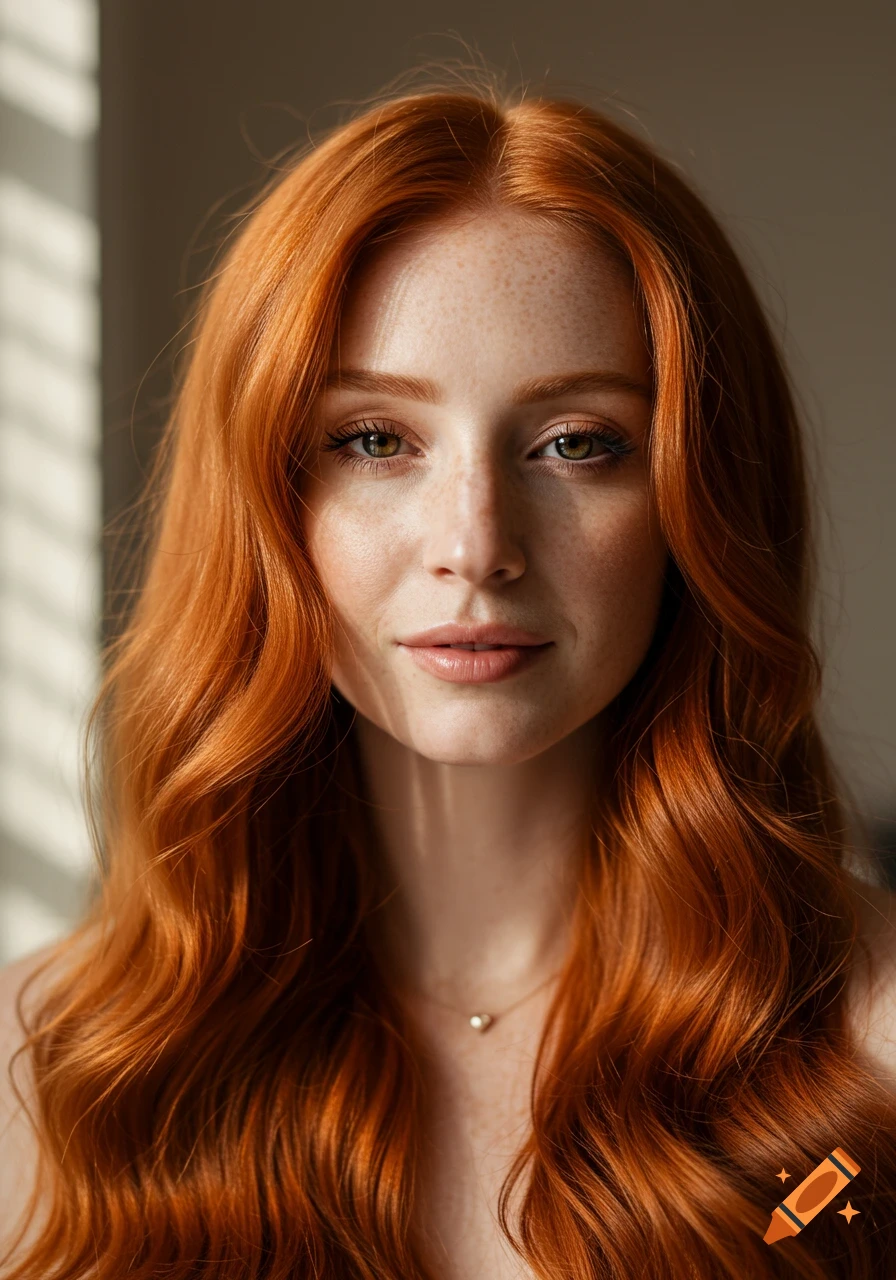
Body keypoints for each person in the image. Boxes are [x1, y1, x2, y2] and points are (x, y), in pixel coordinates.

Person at [1, 73, 895, 1280]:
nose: (473, 545)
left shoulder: (868, 1056)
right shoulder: (44, 1076)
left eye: (576, 442)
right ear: (266, 500)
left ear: (701, 499)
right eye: (374, 440)